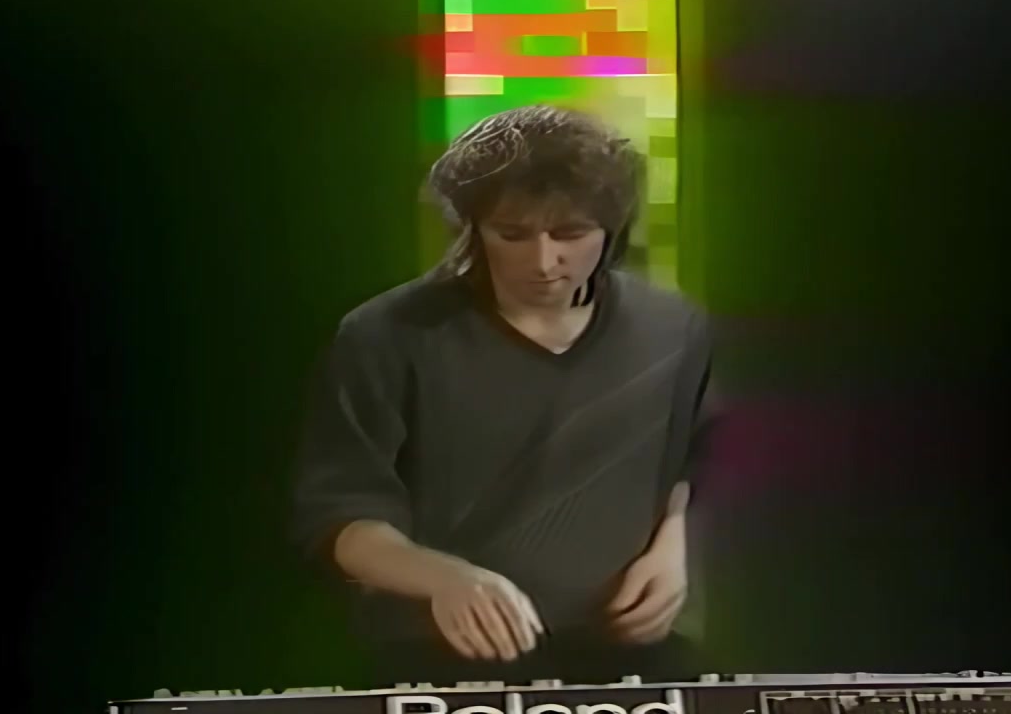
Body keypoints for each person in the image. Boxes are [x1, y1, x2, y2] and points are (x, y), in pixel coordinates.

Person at [290, 104, 716, 686]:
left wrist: (673, 548)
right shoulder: (387, 335)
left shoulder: (672, 328)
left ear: (612, 230)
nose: (543, 261)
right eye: (511, 234)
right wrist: (444, 578)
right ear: (472, 227)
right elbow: (340, 517)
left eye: (571, 234)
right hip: (438, 663)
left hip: (627, 660)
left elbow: (693, 462)